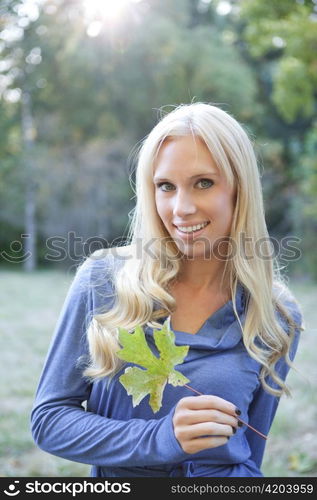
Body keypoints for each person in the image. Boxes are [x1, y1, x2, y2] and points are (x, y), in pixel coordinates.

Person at [31, 102, 304, 477]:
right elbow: (49, 421)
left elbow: (250, 451)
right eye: (166, 186)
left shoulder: (276, 315)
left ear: (240, 189)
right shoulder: (104, 280)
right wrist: (161, 438)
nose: (182, 208)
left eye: (203, 183)